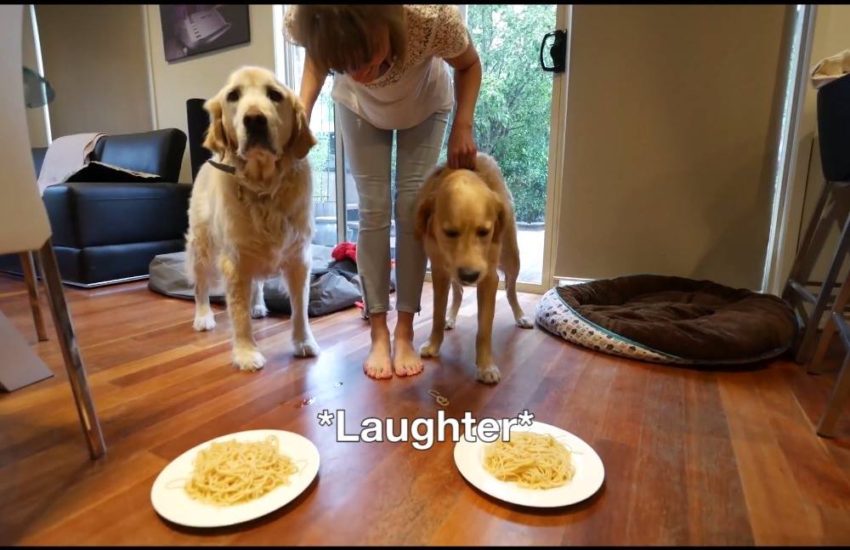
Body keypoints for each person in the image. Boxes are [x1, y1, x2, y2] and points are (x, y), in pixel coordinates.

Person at [285, 5, 482, 380]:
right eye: (345, 66)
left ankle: (404, 332)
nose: (359, 74)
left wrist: (464, 124)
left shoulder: (431, 18)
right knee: (373, 208)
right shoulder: (308, 16)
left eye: (365, 59)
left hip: (424, 105)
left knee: (410, 209)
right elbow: (315, 58)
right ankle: (378, 332)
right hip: (358, 109)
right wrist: (302, 115)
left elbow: (469, 65)